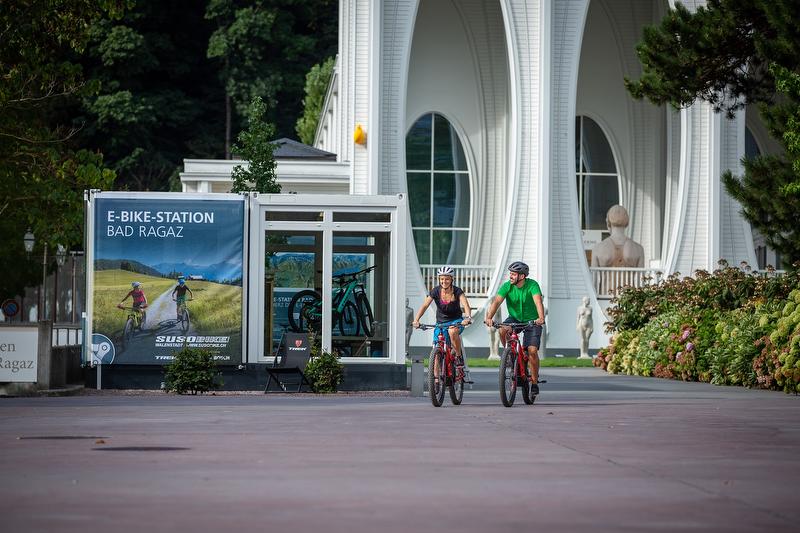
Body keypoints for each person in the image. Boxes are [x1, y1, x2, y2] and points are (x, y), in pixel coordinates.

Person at [483, 261, 545, 394]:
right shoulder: (507, 286)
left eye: (513, 274)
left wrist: (541, 318)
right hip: (515, 318)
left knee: (532, 351)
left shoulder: (532, 285)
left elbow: (538, 301)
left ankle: (534, 383)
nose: (510, 276)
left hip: (532, 320)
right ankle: (510, 354)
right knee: (502, 329)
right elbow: (497, 302)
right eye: (510, 273)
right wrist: (489, 317)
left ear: (522, 276)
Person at [412, 265, 472, 384]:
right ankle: (435, 379)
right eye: (442, 279)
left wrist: (468, 317)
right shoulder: (435, 291)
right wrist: (416, 319)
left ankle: (458, 357)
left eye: (447, 279)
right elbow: (425, 305)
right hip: (440, 323)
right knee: (436, 348)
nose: (444, 281)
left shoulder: (457, 291)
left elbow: (466, 304)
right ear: (439, 279)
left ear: (451, 279)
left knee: (452, 331)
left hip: (456, 321)